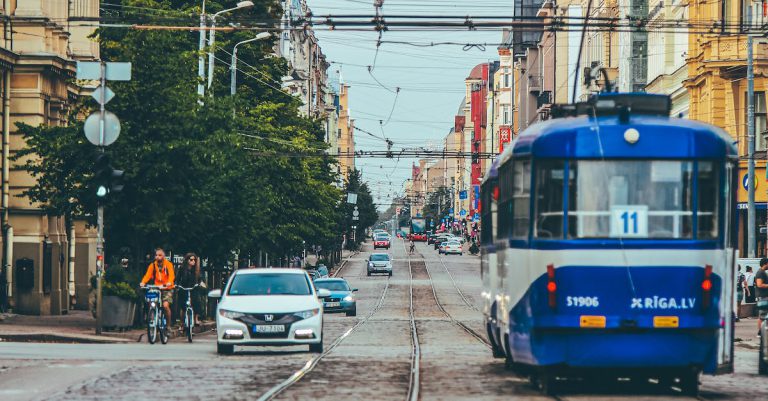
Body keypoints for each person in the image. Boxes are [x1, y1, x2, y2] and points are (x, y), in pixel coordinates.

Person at [140, 248, 175, 327]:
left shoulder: (168, 264)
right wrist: (143, 282)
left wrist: (169, 282)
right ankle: (153, 320)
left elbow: (172, 275)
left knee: (165, 306)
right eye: (156, 255)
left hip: (167, 288)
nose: (157, 257)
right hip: (157, 287)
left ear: (164, 256)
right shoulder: (152, 265)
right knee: (152, 303)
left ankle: (168, 326)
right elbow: (147, 276)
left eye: (160, 255)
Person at [176, 253, 202, 325]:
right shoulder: (182, 268)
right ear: (187, 260)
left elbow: (199, 278)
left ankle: (195, 319)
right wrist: (177, 285)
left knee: (196, 302)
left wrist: (198, 284)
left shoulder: (196, 269)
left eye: (194, 260)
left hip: (193, 287)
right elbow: (178, 278)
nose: (193, 261)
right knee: (183, 307)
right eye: (191, 260)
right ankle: (182, 323)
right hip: (184, 288)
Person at [756, 258, 768, 336]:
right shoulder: (760, 272)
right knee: (762, 315)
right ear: (765, 263)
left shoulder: (763, 272)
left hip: (763, 296)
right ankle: (760, 332)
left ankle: (762, 331)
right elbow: (759, 284)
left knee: (763, 314)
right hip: (762, 296)